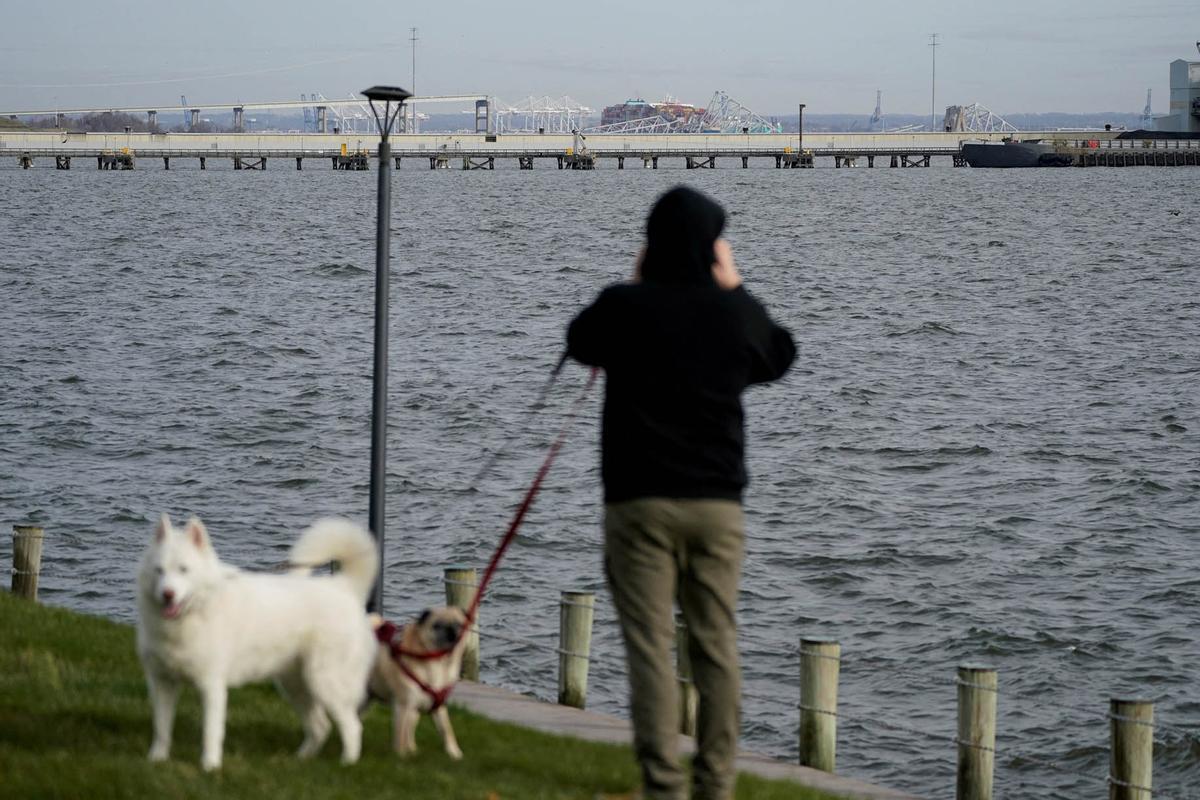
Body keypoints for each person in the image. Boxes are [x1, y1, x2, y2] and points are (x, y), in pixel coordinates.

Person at [566, 186, 795, 800]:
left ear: (651, 245)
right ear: (713, 248)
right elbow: (779, 354)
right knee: (716, 645)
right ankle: (715, 785)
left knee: (651, 650)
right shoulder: (732, 314)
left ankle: (662, 786)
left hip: (638, 502)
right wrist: (736, 285)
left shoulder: (624, 306)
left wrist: (637, 283)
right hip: (717, 507)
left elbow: (581, 339)